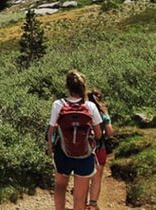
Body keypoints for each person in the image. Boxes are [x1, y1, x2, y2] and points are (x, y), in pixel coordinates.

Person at [47, 70, 103, 210]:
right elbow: (98, 134)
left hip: (63, 152)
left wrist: (50, 147)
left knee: (60, 187)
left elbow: (50, 131)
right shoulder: (90, 107)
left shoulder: (58, 104)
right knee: (80, 196)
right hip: (84, 155)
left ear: (67, 86)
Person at [86, 89, 114, 210]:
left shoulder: (84, 111)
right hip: (99, 147)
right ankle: (92, 204)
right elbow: (109, 132)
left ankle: (81, 201)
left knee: (84, 175)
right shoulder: (103, 114)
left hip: (84, 148)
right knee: (97, 178)